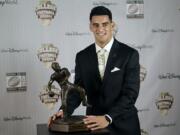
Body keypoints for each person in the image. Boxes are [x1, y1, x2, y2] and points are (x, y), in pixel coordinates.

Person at [48, 6, 141, 135]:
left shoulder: (129, 54)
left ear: (112, 25)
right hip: (94, 126)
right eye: (96, 25)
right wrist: (64, 111)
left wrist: (108, 117)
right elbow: (78, 90)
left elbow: (130, 94)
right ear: (90, 27)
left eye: (105, 24)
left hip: (124, 126)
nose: (100, 29)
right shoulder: (82, 56)